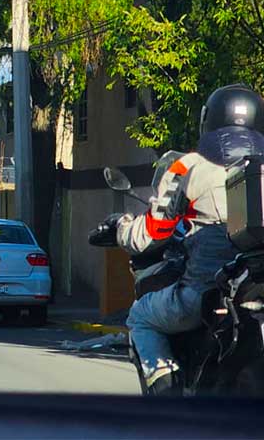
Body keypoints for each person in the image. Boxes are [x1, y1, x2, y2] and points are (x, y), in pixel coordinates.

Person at [109, 84, 264, 394]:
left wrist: (121, 228)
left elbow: (151, 233)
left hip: (205, 294)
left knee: (140, 317)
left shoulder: (188, 167)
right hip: (255, 286)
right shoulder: (259, 168)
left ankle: (167, 400)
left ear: (208, 121)